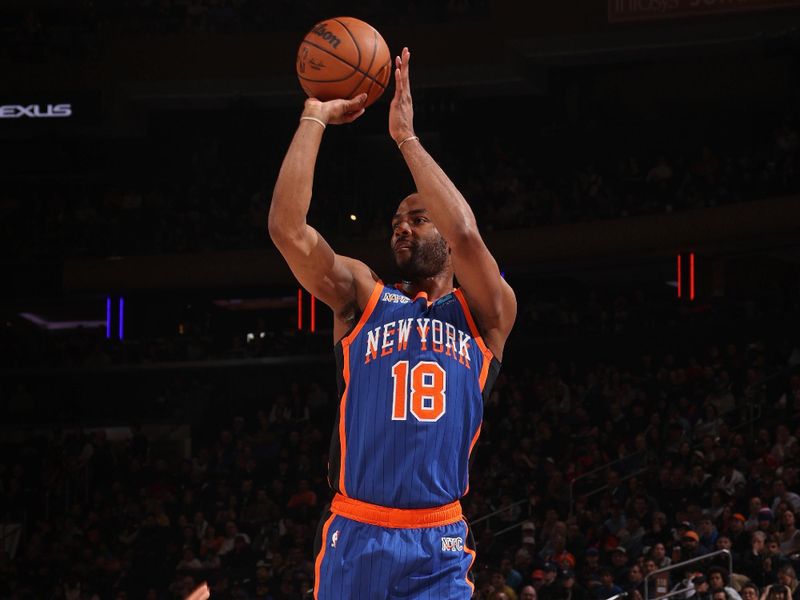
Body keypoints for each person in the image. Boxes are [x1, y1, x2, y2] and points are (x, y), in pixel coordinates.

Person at [268, 46, 517, 600]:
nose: (401, 230)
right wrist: (314, 116)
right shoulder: (363, 296)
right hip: (357, 531)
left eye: (417, 218)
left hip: (440, 540)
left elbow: (469, 236)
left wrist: (405, 137)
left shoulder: (486, 314)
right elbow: (288, 230)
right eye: (395, 223)